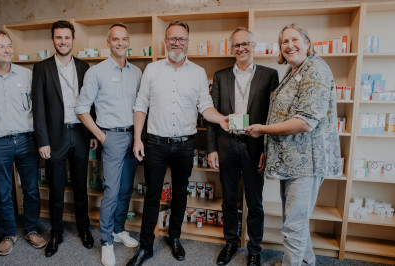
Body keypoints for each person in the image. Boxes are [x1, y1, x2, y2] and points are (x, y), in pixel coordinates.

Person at [127, 20, 229, 266]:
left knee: (180, 193)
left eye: (181, 39)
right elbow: (141, 105)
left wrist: (222, 119)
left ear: (188, 42)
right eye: (172, 38)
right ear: (165, 41)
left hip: (185, 145)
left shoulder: (197, 72)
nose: (177, 43)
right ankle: (145, 247)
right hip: (156, 144)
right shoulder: (152, 70)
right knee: (152, 195)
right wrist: (137, 138)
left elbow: (205, 107)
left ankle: (174, 237)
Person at [244, 24, 342, 266]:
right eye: (284, 42)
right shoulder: (295, 69)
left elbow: (305, 122)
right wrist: (269, 148)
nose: (290, 46)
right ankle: (305, 262)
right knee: (295, 219)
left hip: (305, 161)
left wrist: (262, 130)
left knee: (293, 225)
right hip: (291, 160)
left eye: (295, 40)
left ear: (308, 43)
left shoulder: (315, 70)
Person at [207, 27, 279, 266]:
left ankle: (255, 249)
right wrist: (212, 149)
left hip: (254, 147)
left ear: (254, 46)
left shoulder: (270, 75)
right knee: (228, 200)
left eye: (245, 43)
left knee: (255, 202)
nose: (241, 48)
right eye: (236, 45)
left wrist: (267, 151)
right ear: (231, 48)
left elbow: (273, 118)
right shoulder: (221, 75)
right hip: (227, 145)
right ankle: (230, 243)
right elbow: (213, 116)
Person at [0, 30, 46, 256]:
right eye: (1, 46)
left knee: (32, 189)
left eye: (10, 45)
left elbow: (36, 107)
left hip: (26, 140)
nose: (8, 50)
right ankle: (8, 233)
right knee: (2, 192)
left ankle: (31, 230)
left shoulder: (26, 75)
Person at [75, 23, 141, 266]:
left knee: (125, 188)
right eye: (116, 39)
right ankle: (106, 241)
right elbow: (81, 108)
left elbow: (140, 107)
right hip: (110, 137)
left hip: (133, 136)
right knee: (112, 191)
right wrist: (101, 136)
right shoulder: (96, 72)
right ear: (108, 42)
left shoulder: (137, 72)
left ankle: (118, 230)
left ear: (129, 41)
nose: (120, 43)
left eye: (124, 39)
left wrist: (138, 136)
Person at [32, 20, 95, 257]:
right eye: (58, 37)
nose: (63, 41)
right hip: (55, 137)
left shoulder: (84, 66)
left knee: (81, 186)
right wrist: (42, 141)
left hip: (80, 132)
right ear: (53, 40)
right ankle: (56, 233)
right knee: (56, 188)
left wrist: (92, 134)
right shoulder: (42, 68)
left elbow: (91, 101)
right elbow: (37, 108)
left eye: (67, 37)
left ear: (73, 40)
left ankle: (84, 229)